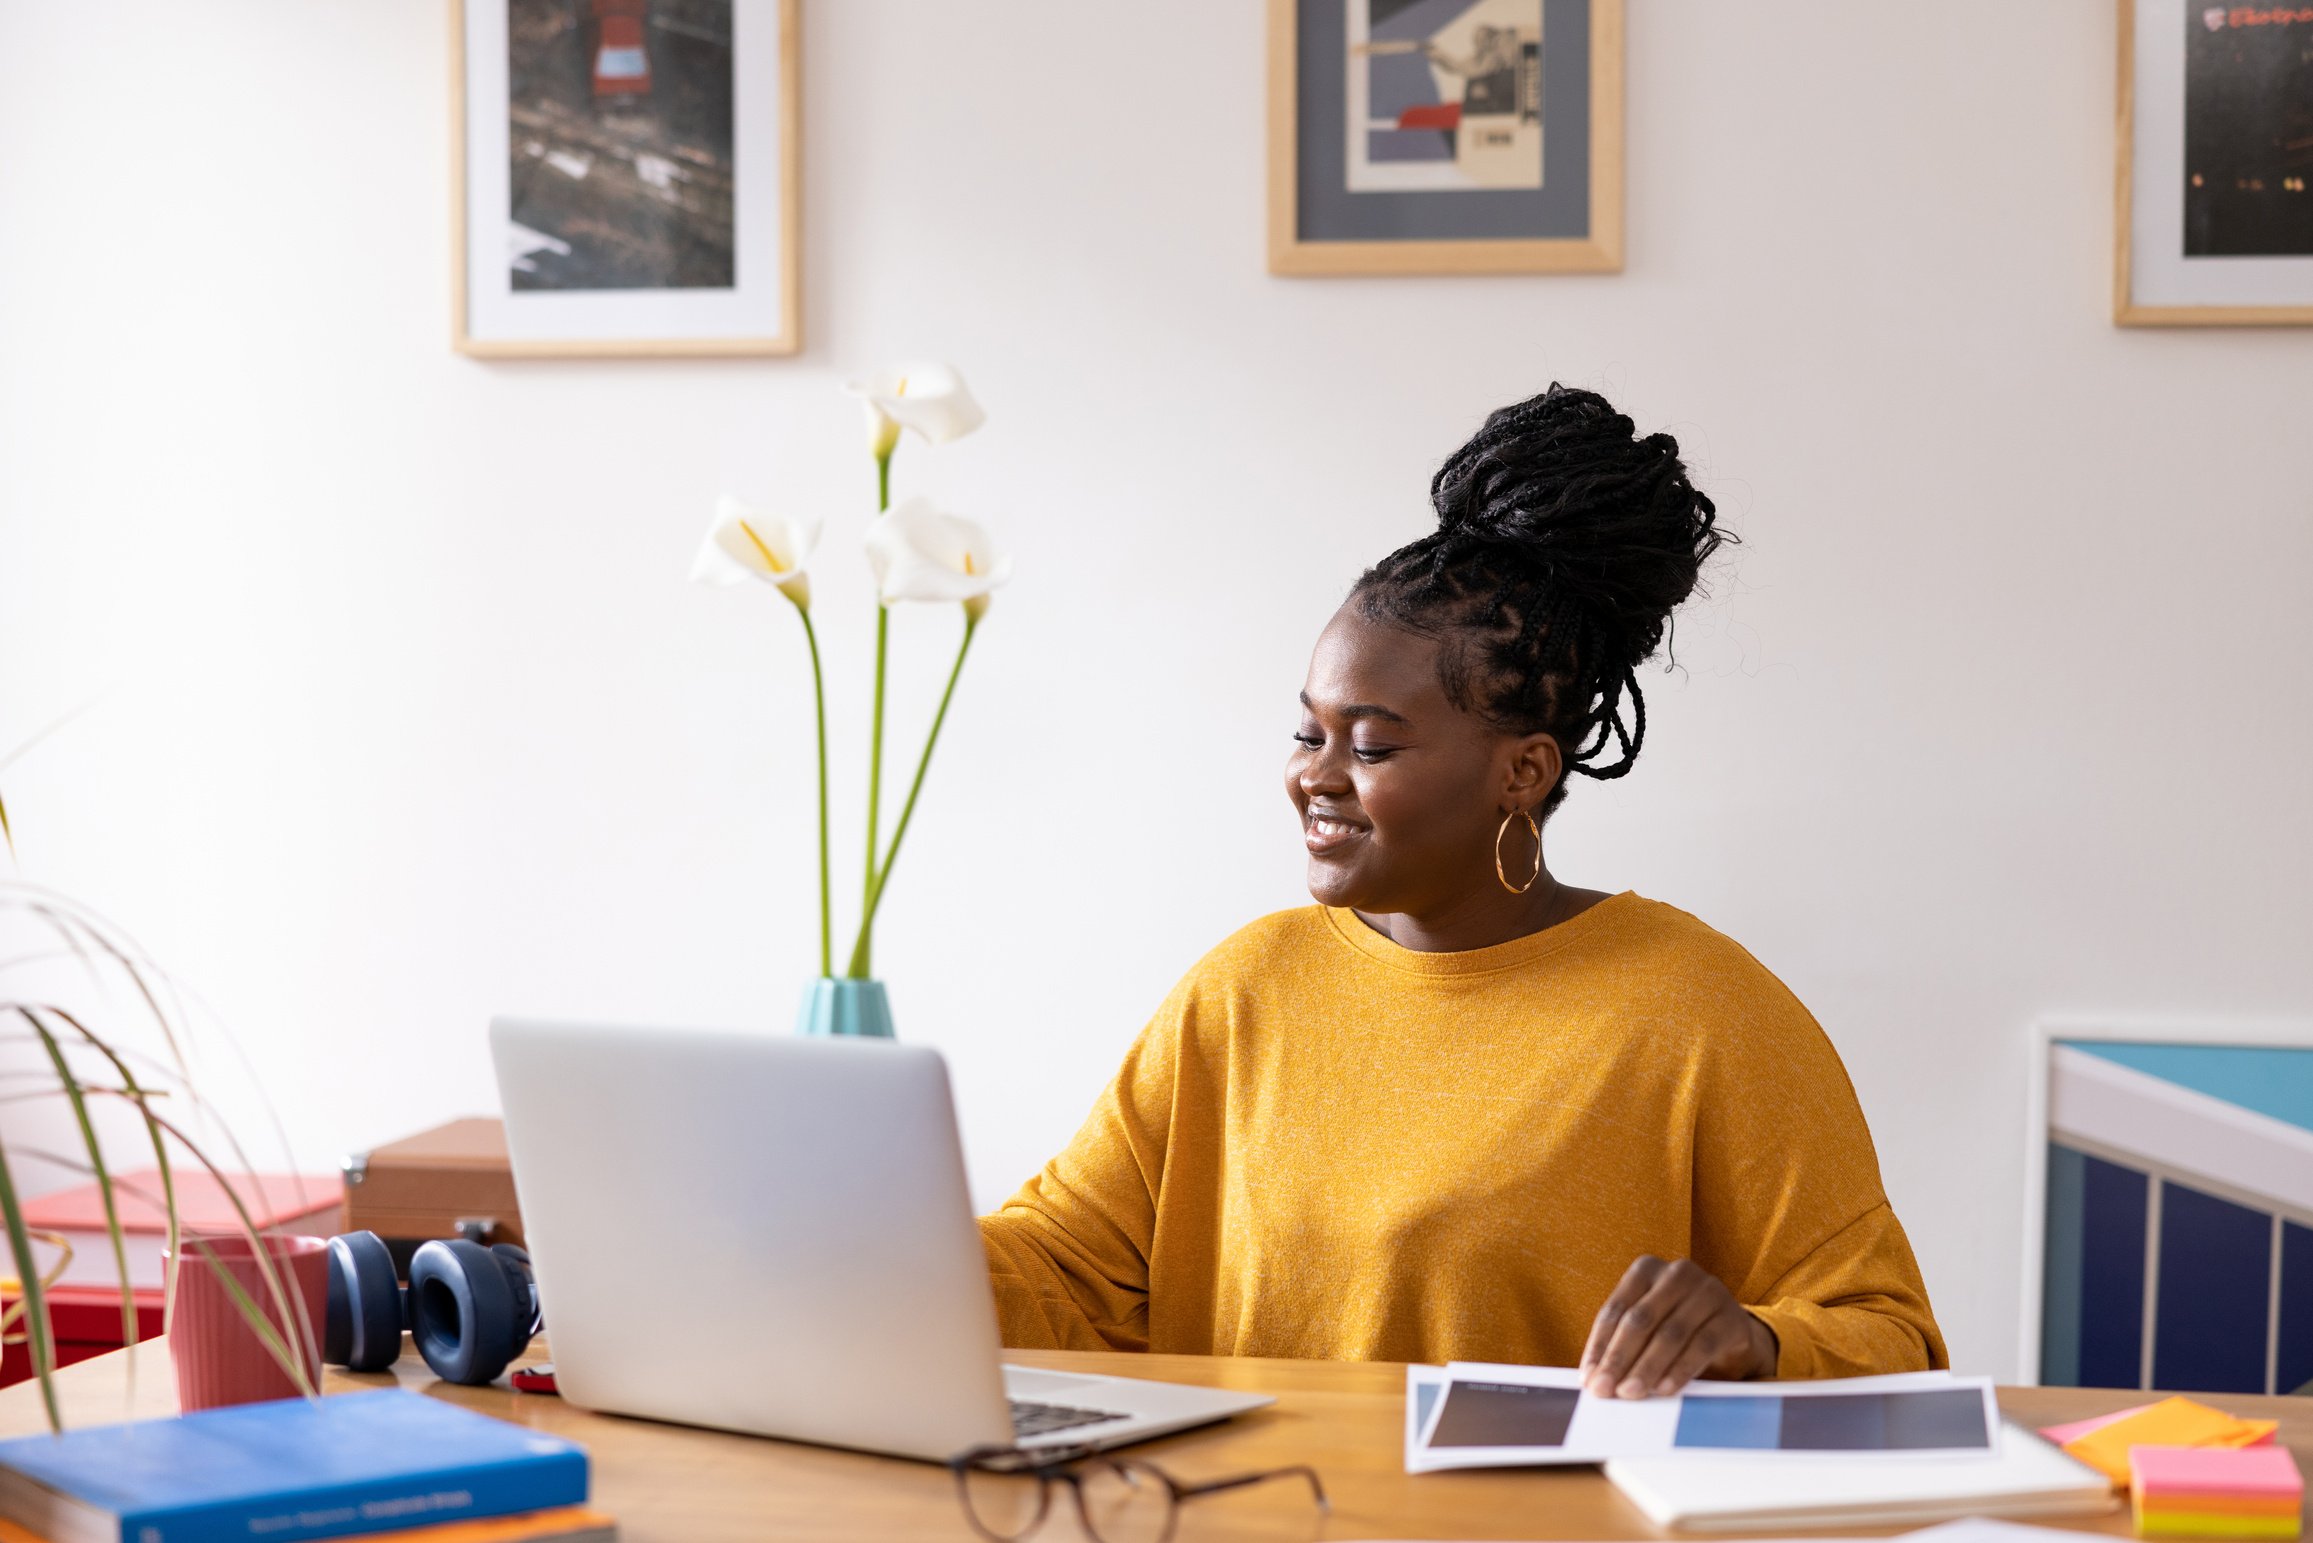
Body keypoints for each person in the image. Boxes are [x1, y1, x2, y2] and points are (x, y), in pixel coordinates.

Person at [979, 385, 1946, 1396]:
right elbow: (1066, 1270)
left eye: (1373, 743)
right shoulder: (1242, 991)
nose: (1317, 772)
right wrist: (856, 1241)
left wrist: (1754, 1340)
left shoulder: (1702, 1014)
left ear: (1522, 772)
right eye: (1310, 731)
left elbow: (1890, 1338)